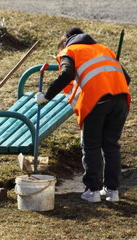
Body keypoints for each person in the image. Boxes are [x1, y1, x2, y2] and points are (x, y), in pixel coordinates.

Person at [35, 27, 131, 202]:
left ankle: (93, 191)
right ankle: (112, 191)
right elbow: (127, 78)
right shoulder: (104, 49)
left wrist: (46, 96)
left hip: (97, 102)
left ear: (66, 40)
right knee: (111, 146)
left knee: (91, 146)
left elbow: (66, 74)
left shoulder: (70, 51)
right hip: (120, 100)